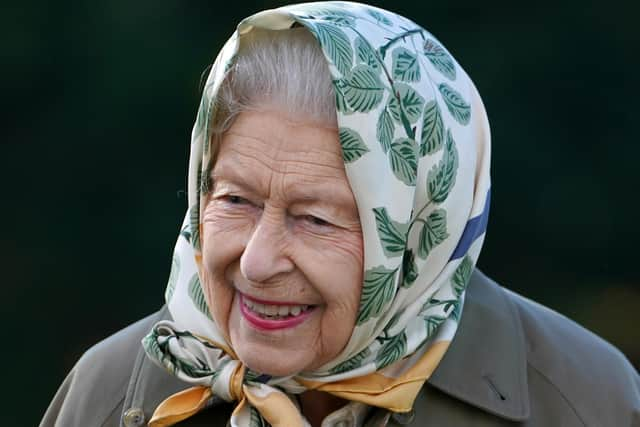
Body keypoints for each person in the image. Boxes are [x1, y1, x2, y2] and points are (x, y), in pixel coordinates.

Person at [41, 2, 639, 426]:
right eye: (234, 200)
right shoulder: (115, 394)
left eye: (316, 219)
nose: (256, 261)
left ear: (418, 233)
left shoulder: (586, 402)